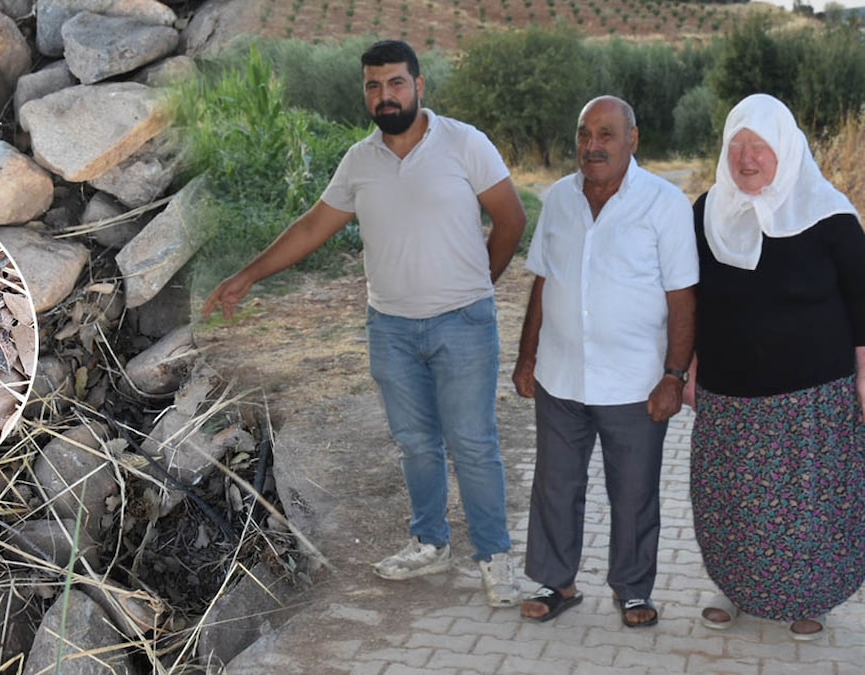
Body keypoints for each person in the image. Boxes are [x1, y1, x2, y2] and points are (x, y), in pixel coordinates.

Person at [201, 40, 528, 607]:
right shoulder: (359, 160)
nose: (385, 95)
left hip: (463, 325)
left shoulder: (464, 143)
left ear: (419, 86)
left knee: (473, 445)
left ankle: (495, 557)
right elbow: (310, 228)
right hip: (392, 330)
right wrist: (246, 276)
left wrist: (479, 284)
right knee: (416, 444)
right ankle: (430, 543)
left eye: (396, 83)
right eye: (374, 86)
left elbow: (511, 218)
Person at [512, 96, 697, 627]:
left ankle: (633, 590)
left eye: (606, 134)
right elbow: (544, 282)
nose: (593, 145)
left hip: (636, 382)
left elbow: (682, 296)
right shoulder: (558, 199)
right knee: (555, 484)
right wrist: (527, 356)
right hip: (561, 375)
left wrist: (673, 375)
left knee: (634, 491)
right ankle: (557, 582)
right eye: (584, 134)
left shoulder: (664, 203)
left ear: (632, 139)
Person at [687, 93, 865, 641]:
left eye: (760, 146)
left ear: (785, 149)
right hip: (728, 395)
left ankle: (811, 600)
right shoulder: (705, 213)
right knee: (731, 505)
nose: (747, 158)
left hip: (811, 401)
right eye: (737, 145)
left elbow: (863, 306)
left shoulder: (830, 214)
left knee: (811, 509)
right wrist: (686, 368)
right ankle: (733, 590)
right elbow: (688, 298)